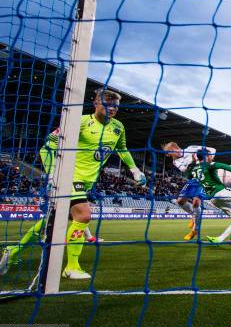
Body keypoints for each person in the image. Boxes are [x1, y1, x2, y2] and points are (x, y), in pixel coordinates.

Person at [1, 88, 146, 279]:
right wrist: (54, 174)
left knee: (50, 222)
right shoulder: (79, 122)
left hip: (87, 182)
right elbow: (48, 147)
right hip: (68, 177)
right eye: (108, 104)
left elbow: (122, 149)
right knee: (84, 216)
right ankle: (72, 267)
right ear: (96, 103)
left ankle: (13, 250)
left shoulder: (118, 127)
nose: (112, 109)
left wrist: (134, 169)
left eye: (116, 106)